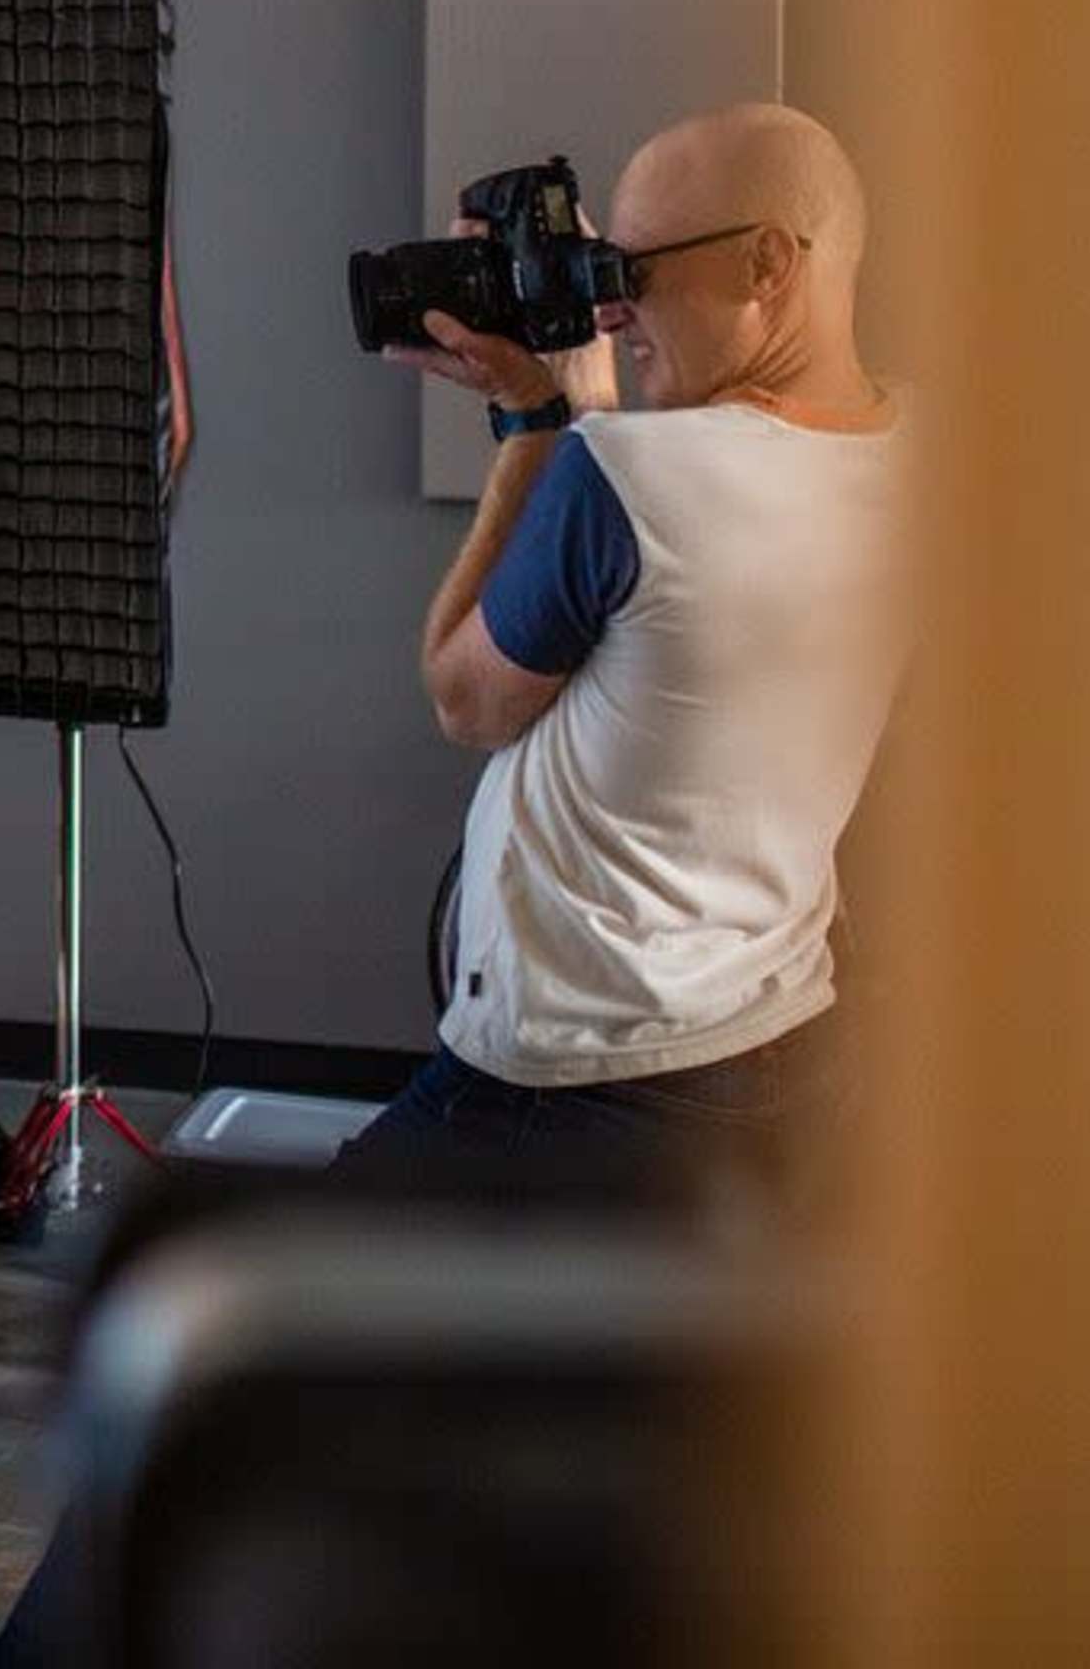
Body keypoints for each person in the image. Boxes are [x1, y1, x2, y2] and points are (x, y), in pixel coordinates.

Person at [339, 101, 909, 1199]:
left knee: (278, 1331)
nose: (609, 308)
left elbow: (466, 697)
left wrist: (533, 421)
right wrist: (586, 410)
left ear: (766, 264)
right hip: (778, 1046)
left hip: (564, 1084)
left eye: (636, 270)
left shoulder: (627, 479)